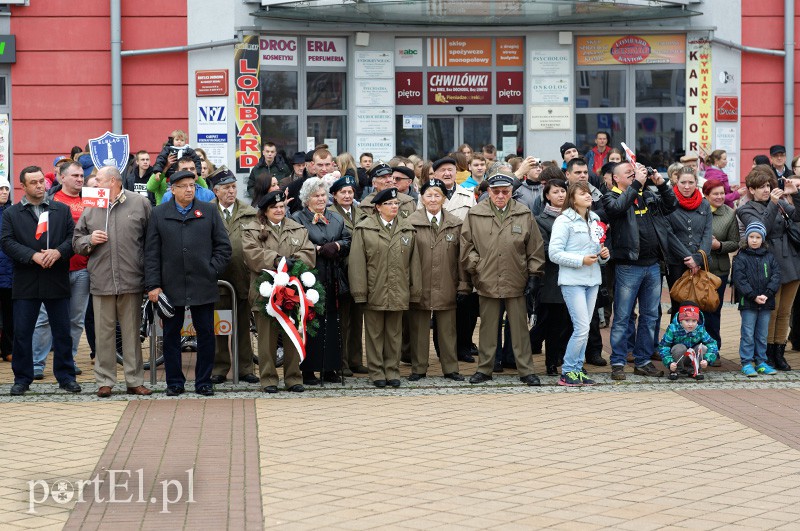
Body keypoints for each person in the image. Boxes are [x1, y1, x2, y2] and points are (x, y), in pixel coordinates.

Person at [144, 170, 232, 397]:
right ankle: (174, 382)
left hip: (202, 283)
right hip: (170, 285)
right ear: (172, 189)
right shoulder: (159, 213)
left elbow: (223, 247)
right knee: (171, 335)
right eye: (183, 185)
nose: (189, 189)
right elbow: (151, 253)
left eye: (192, 185)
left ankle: (203, 381)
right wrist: (153, 285)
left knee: (205, 334)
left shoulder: (209, 211)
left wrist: (212, 269)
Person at [73, 165, 152, 397]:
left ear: (114, 182)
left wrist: (149, 276)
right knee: (103, 334)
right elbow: (76, 242)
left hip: (131, 279)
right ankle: (104, 381)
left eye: (99, 179)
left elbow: (151, 241)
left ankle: (134, 380)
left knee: (131, 333)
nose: (95, 184)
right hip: (102, 280)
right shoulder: (92, 207)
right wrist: (90, 239)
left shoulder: (140, 203)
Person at [461, 172, 545, 386]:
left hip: (516, 279)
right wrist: (476, 266)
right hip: (486, 279)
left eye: (505, 191)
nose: (500, 195)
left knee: (519, 328)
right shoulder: (475, 213)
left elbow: (534, 247)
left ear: (511, 192)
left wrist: (534, 275)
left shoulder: (523, 213)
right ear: (488, 192)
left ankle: (526, 370)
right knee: (488, 327)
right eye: (496, 191)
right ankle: (485, 369)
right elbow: (466, 246)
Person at [2, 166, 79, 396]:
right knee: (23, 332)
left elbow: (71, 238)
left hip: (56, 278)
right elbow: (6, 242)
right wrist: (32, 255)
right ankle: (22, 379)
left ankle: (66, 377)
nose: (39, 185)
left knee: (62, 331)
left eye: (40, 181)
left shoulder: (61, 210)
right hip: (26, 280)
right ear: (23, 186)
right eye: (33, 182)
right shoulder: (11, 214)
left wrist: (57, 252)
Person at [602, 161, 678, 380]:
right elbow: (618, 208)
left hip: (653, 264)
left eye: (634, 173)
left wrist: (661, 185)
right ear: (616, 178)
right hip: (628, 266)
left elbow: (670, 206)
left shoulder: (646, 194)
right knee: (623, 316)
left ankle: (643, 361)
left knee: (650, 316)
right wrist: (637, 183)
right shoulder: (611, 197)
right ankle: (617, 362)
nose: (634, 175)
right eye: (629, 173)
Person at [242, 190, 315, 393]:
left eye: (282, 206)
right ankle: (268, 379)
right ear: (265, 211)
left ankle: (293, 377)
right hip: (264, 293)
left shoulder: (297, 228)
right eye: (274, 207)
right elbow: (251, 255)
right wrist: (277, 260)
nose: (279, 210)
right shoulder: (252, 230)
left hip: (292, 294)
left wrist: (294, 263)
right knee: (266, 339)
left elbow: (309, 252)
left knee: (292, 336)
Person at [349, 187, 422, 388]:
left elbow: (413, 264)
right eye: (389, 204)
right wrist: (360, 292)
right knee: (374, 334)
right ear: (378, 207)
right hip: (375, 290)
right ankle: (376, 372)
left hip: (399, 290)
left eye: (396, 203)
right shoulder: (364, 229)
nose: (394, 207)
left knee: (394, 334)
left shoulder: (407, 229)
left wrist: (414, 291)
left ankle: (392, 370)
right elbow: (357, 264)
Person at [736, 166, 800, 371]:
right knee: (771, 310)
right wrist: (773, 204)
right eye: (760, 187)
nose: (765, 190)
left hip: (791, 258)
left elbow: (798, 216)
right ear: (751, 190)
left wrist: (795, 195)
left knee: (784, 311)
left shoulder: (781, 202)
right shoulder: (745, 209)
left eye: (768, 186)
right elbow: (760, 229)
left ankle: (779, 352)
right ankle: (766, 354)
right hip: (767, 263)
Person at [32, 161, 90, 379]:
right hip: (55, 268)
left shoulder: (91, 199)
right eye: (74, 175)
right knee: (45, 317)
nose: (79, 179)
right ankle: (37, 363)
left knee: (76, 319)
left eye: (81, 176)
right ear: (61, 178)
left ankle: (69, 359)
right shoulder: (50, 200)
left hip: (82, 268)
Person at [548, 181, 609, 386]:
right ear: (572, 199)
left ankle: (576, 369)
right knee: (582, 327)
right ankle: (567, 371)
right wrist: (580, 260)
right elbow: (554, 253)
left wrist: (603, 255)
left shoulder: (595, 219)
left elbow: (597, 249)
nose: (588, 196)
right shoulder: (564, 220)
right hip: (572, 280)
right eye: (582, 193)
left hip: (592, 280)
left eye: (589, 193)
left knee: (583, 327)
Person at [291, 177, 351, 385]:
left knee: (332, 324)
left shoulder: (335, 218)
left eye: (323, 195)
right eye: (316, 196)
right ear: (307, 199)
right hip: (310, 279)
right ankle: (308, 370)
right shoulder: (298, 219)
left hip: (333, 277)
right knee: (310, 324)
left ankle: (330, 368)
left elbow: (347, 240)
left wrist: (336, 246)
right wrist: (316, 250)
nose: (320, 199)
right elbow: (296, 244)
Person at [407, 178, 467, 381]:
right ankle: (418, 368)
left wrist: (463, 285)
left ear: (444, 198)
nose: (433, 199)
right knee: (418, 330)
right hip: (419, 283)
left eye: (437, 195)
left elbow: (461, 258)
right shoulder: (410, 223)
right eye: (429, 195)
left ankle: (450, 368)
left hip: (446, 283)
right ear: (422, 198)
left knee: (448, 330)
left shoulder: (456, 224)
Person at [208, 168, 260, 385]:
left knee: (242, 326)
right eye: (226, 188)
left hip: (242, 277)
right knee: (220, 325)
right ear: (216, 191)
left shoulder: (248, 212)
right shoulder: (208, 211)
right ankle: (220, 367)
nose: (231, 191)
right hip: (217, 280)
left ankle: (245, 367)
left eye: (233, 187)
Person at [329, 175, 368, 375]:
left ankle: (355, 359)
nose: (347, 195)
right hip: (340, 272)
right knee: (342, 320)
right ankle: (342, 362)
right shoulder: (330, 214)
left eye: (350, 192)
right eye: (342, 192)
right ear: (334, 195)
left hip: (359, 271)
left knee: (357, 317)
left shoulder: (361, 212)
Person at [731, 221, 781, 377]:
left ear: (762, 239)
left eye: (758, 237)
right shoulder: (741, 257)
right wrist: (753, 295)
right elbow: (740, 279)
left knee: (761, 333)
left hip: (766, 301)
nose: (754, 240)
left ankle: (761, 362)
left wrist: (767, 293)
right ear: (747, 238)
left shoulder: (769, 257)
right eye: (751, 236)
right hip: (748, 302)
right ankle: (746, 362)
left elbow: (776, 276)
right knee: (747, 332)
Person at [665, 166, 713, 316]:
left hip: (700, 261)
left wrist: (697, 259)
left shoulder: (704, 204)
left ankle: (695, 338)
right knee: (678, 304)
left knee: (698, 303)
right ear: (676, 182)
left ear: (696, 183)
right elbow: (668, 234)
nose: (687, 186)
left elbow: (707, 233)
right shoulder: (668, 202)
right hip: (676, 262)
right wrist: (688, 258)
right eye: (683, 182)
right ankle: (677, 338)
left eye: (691, 182)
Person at [702, 179, 740, 352]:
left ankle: (713, 349)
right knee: (697, 310)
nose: (720, 197)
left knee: (714, 310)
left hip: (719, 270)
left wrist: (720, 246)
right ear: (706, 195)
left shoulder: (729, 214)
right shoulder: (698, 209)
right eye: (715, 194)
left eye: (722, 193)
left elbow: (735, 243)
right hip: (698, 268)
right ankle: (695, 348)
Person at [658, 303, 719, 381]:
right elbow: (663, 346)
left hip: (692, 357)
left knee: (703, 347)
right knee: (679, 347)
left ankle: (694, 369)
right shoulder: (673, 329)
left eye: (694, 321)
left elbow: (712, 344)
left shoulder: (700, 329)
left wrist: (707, 360)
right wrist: (670, 362)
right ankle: (675, 370)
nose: (690, 324)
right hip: (678, 357)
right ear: (680, 320)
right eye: (687, 320)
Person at [0, 178, 12, 363]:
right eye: (0, 188)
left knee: (10, 313)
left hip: (10, 271)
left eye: (6, 188)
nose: (4, 191)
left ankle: (8, 349)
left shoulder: (13, 212)